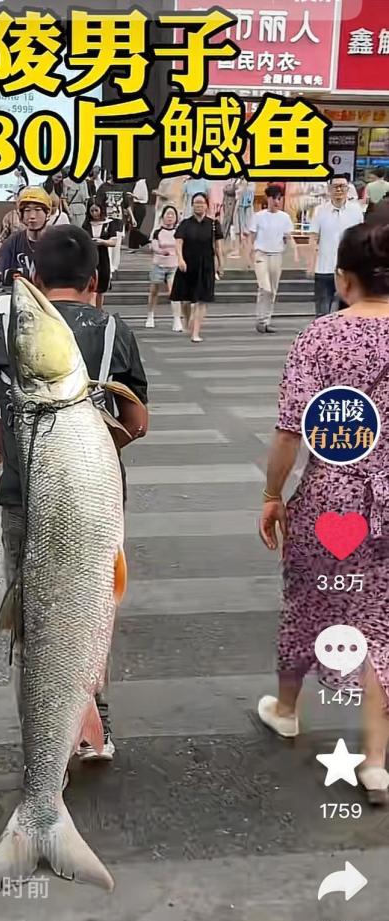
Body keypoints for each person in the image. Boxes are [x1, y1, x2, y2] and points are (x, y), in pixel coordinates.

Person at [0, 225, 149, 762]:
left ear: (36, 275)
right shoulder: (113, 331)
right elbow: (137, 421)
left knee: (32, 620)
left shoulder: (5, 328)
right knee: (90, 607)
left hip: (25, 497)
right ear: (95, 279)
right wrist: (92, 453)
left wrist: (19, 455)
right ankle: (95, 727)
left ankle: (42, 738)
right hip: (94, 501)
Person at [258, 220, 389, 806]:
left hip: (330, 497)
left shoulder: (321, 337)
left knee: (308, 601)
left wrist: (272, 494)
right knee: (381, 621)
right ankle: (376, 763)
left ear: (342, 279)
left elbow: (291, 429)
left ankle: (287, 709)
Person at [170, 191, 223, 343]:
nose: (199, 206)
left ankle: (196, 332)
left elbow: (218, 246)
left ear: (207, 205)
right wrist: (180, 259)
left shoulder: (213, 224)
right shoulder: (185, 224)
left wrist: (221, 263)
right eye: (196, 203)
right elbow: (178, 242)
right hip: (187, 265)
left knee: (202, 300)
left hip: (206, 265)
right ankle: (189, 322)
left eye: (201, 203)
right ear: (192, 205)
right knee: (186, 300)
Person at [308, 175, 364, 317]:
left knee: (347, 313)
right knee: (322, 311)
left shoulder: (356, 210)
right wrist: (311, 263)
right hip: (324, 268)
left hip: (348, 270)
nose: (339, 190)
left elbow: (360, 238)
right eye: (335, 186)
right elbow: (313, 237)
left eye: (342, 186)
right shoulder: (320, 210)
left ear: (348, 189)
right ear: (329, 189)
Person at [248, 184, 297, 334]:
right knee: (265, 288)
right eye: (274, 198)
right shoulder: (258, 216)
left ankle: (265, 321)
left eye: (279, 199)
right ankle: (261, 319)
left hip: (276, 255)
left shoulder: (284, 217)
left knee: (273, 290)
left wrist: (295, 251)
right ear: (268, 199)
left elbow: (288, 236)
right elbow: (251, 237)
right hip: (261, 254)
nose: (276, 201)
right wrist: (249, 255)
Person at [0, 186, 52, 287]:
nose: (32, 216)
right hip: (21, 293)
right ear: (21, 214)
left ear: (47, 213)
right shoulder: (13, 241)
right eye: (27, 210)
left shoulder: (57, 241)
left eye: (37, 210)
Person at [146, 205, 183, 331]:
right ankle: (150, 315)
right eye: (168, 214)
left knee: (174, 292)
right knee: (154, 291)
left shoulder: (178, 232)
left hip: (173, 266)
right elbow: (154, 246)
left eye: (172, 214)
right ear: (163, 217)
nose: (170, 217)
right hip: (159, 265)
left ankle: (177, 319)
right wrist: (161, 251)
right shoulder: (157, 232)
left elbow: (181, 246)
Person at [95, 173, 135, 274]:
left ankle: (115, 266)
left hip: (119, 220)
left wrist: (132, 218)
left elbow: (126, 205)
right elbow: (98, 204)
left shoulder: (122, 187)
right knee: (108, 244)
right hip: (106, 221)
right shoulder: (103, 187)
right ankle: (108, 266)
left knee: (117, 244)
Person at [82, 200, 117, 309]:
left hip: (103, 255)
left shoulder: (109, 224)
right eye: (92, 211)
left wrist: (102, 242)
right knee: (90, 285)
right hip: (90, 256)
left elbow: (113, 242)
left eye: (96, 210)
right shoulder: (86, 224)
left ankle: (99, 309)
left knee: (101, 286)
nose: (94, 213)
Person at [127, 177, 150, 249]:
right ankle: (134, 245)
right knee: (134, 226)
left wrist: (132, 195)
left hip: (140, 206)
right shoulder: (139, 183)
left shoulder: (141, 183)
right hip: (137, 206)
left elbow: (141, 197)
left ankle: (144, 239)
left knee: (135, 226)